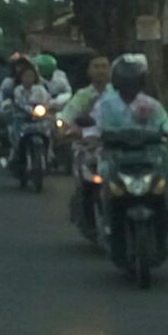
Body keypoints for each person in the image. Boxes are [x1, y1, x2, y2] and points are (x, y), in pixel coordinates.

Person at [87, 54, 168, 253]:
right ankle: (106, 221)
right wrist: (90, 137)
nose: (130, 88)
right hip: (114, 154)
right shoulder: (105, 104)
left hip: (149, 153)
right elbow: (93, 126)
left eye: (134, 83)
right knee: (101, 176)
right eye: (126, 83)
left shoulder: (151, 104)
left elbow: (166, 124)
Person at [59, 54, 111, 232]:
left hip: (116, 146)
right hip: (88, 147)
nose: (101, 70)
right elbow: (65, 119)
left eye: (104, 66)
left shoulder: (119, 94)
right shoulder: (83, 96)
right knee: (88, 181)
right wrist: (65, 130)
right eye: (96, 66)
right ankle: (87, 215)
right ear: (89, 71)